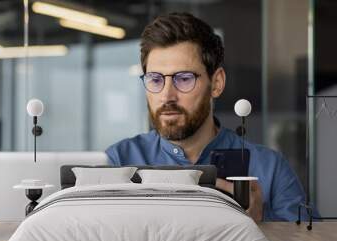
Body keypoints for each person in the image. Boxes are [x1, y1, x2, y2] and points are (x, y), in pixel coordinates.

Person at [105, 12, 312, 222]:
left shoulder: (270, 169)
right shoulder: (119, 162)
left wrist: (260, 225)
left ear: (217, 84)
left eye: (184, 79)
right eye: (155, 80)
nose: (167, 95)